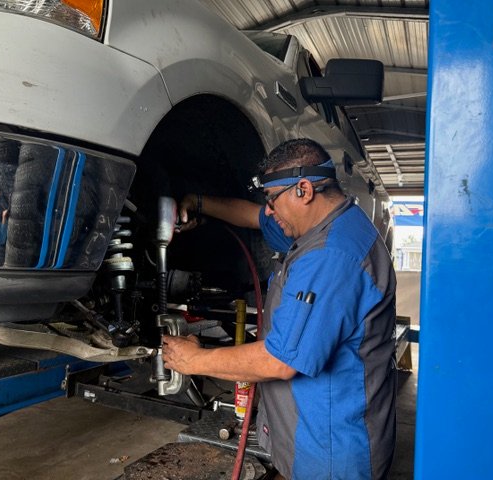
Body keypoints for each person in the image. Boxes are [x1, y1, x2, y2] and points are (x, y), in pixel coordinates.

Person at [163, 138, 397, 480]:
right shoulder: (326, 224)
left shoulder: (332, 256)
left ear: (304, 190)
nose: (269, 210)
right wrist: (197, 202)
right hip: (313, 442)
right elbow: (253, 217)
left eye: (272, 199)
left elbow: (280, 361)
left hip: (331, 458)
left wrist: (193, 360)